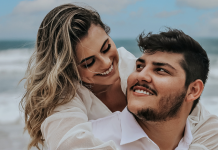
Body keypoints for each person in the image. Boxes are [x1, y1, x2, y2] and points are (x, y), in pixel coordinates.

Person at [20, 3, 217, 150]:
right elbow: (70, 145)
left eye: (106, 47)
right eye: (89, 62)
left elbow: (192, 112)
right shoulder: (63, 99)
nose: (106, 63)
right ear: (68, 70)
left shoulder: (131, 66)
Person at [90, 29, 218, 150]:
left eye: (160, 70)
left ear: (193, 90)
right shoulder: (91, 141)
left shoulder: (209, 140)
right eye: (139, 66)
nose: (140, 75)